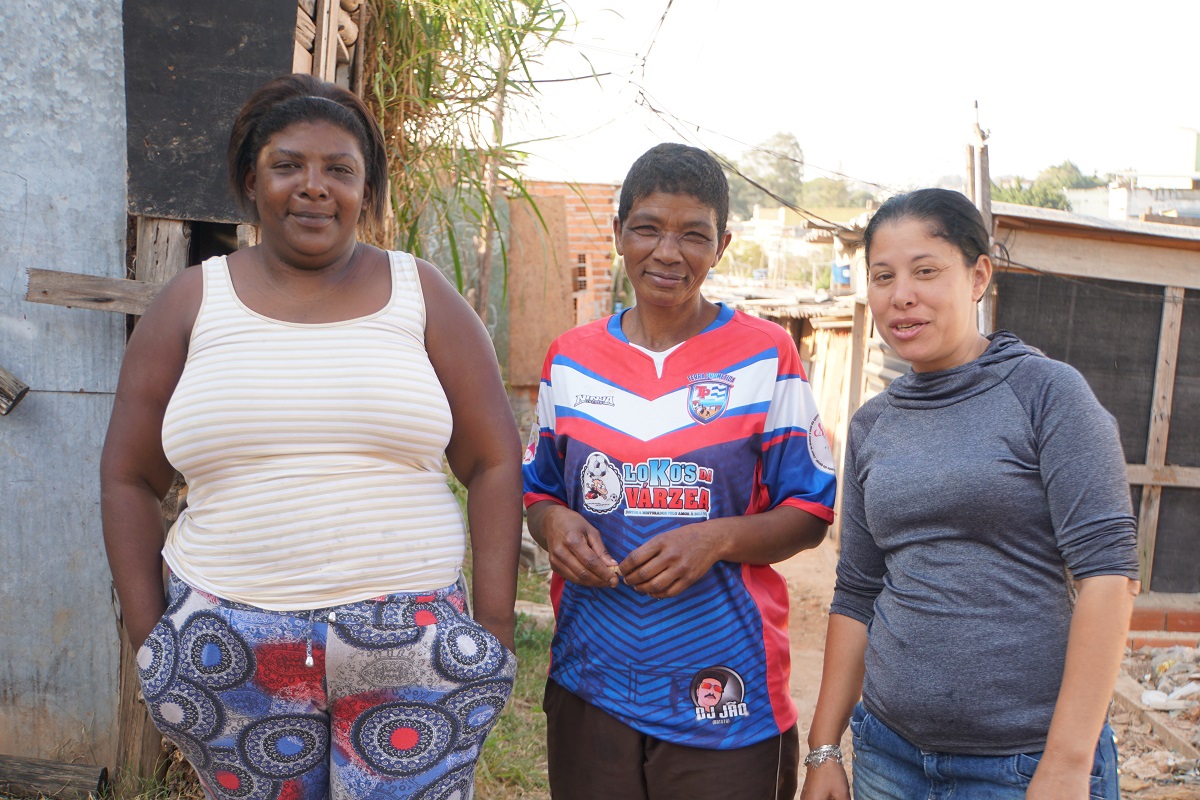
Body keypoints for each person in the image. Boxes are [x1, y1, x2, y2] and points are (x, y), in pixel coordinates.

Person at [100, 74, 522, 799]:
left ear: (366, 190)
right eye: (288, 165)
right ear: (251, 181)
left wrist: (494, 627)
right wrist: (151, 639)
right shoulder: (192, 302)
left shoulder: (423, 296)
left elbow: (493, 461)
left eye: (340, 170)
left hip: (413, 641)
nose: (314, 186)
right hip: (226, 645)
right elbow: (128, 477)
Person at [800, 188, 1139, 800]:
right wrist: (824, 748)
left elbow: (1108, 576)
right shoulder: (874, 424)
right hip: (889, 757)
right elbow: (857, 591)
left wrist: (1066, 762)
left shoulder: (1047, 394)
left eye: (926, 271)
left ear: (978, 275)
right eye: (883, 276)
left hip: (1022, 765)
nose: (902, 295)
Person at [522, 142, 837, 799]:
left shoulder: (766, 356)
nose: (668, 252)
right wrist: (553, 526)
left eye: (693, 234)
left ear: (721, 245)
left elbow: (809, 511)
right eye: (647, 229)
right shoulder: (570, 360)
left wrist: (715, 539)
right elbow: (540, 491)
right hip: (592, 676)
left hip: (724, 687)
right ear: (619, 234)